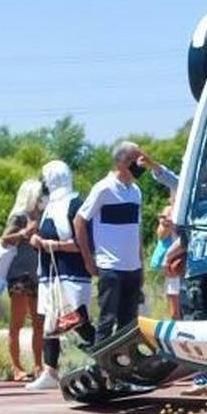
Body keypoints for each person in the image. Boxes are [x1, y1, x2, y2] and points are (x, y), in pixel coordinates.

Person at [26, 160, 98, 391]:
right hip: (51, 274)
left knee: (77, 319)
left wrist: (52, 245)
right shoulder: (50, 206)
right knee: (51, 321)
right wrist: (37, 241)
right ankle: (50, 370)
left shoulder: (76, 204)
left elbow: (83, 243)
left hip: (72, 273)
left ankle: (105, 355)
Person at [75, 141, 146, 343]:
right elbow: (80, 221)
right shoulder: (103, 189)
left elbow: (136, 230)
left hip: (133, 266)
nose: (141, 164)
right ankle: (101, 368)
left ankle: (123, 369)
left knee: (129, 324)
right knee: (107, 320)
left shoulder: (135, 191)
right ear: (124, 162)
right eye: (137, 159)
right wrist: (88, 259)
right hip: (111, 266)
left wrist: (142, 264)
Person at [1, 179, 45, 382]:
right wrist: (24, 232)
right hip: (19, 273)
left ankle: (39, 365)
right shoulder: (19, 216)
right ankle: (16, 366)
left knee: (39, 322)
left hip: (38, 272)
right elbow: (5, 239)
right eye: (39, 195)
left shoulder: (43, 215)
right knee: (17, 322)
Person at [151, 202, 181, 319]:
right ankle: (176, 324)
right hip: (172, 262)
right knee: (173, 298)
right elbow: (161, 234)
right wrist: (168, 223)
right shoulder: (170, 210)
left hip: (182, 259)